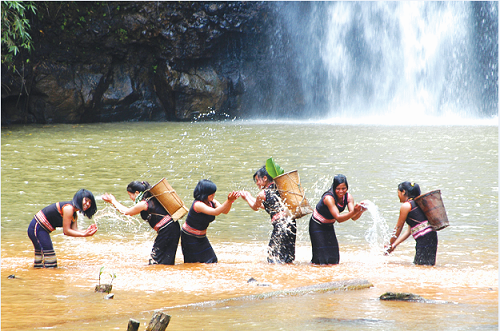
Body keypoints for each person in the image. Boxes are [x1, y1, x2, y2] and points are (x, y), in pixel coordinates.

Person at [102, 180, 181, 265]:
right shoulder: (151, 198)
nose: (130, 198)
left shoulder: (143, 203)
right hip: (172, 227)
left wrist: (113, 201)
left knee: (155, 260)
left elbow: (127, 212)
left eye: (130, 195)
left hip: (168, 230)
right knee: (166, 259)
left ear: (136, 193)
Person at [27, 189, 98, 268]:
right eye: (86, 200)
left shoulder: (74, 214)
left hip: (42, 230)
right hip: (37, 227)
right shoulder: (69, 208)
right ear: (79, 198)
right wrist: (85, 234)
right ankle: (44, 277)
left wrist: (87, 231)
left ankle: (36, 277)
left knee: (42, 260)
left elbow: (74, 230)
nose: (88, 204)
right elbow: (66, 231)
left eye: (90, 203)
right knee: (51, 261)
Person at [240, 166, 297, 264]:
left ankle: (276, 276)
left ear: (265, 178)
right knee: (288, 256)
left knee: (273, 256)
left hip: (280, 225)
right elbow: (268, 207)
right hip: (291, 223)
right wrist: (249, 197)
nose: (257, 183)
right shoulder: (280, 188)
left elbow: (255, 207)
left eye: (258, 180)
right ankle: (288, 276)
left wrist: (247, 197)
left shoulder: (262, 194)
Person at [309, 174, 365, 265]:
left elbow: (353, 217)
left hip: (329, 225)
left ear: (347, 188)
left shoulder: (348, 197)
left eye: (344, 188)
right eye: (338, 189)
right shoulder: (329, 198)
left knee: (334, 258)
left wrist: (361, 210)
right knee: (321, 258)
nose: (341, 191)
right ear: (334, 188)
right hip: (317, 225)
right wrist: (355, 211)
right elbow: (338, 218)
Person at [181, 179, 239, 263]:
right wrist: (228, 200)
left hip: (202, 237)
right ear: (204, 193)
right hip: (190, 236)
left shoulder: (212, 201)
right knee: (194, 263)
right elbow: (216, 212)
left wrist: (230, 202)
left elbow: (225, 211)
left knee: (212, 260)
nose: (213, 195)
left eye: (214, 192)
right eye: (211, 193)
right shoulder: (198, 204)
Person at [385, 181, 438, 266]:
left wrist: (389, 244)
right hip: (432, 236)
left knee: (421, 265)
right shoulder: (418, 203)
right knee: (426, 265)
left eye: (398, 192)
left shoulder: (406, 206)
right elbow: (409, 230)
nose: (398, 195)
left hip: (423, 238)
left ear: (403, 192)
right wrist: (394, 245)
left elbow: (398, 227)